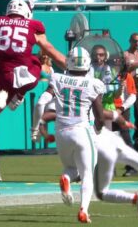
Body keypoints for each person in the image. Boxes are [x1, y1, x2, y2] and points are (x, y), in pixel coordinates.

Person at [0, 0, 67, 126]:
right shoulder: (33, 28)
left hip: (4, 75)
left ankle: (4, 101)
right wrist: (72, 66)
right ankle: (19, 94)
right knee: (35, 61)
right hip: (24, 76)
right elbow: (54, 54)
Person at [50, 47, 105, 223]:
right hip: (81, 130)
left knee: (72, 168)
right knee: (87, 173)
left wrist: (36, 126)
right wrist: (98, 129)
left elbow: (43, 101)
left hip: (61, 132)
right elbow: (100, 116)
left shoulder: (58, 78)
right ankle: (84, 210)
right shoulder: (92, 83)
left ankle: (66, 178)